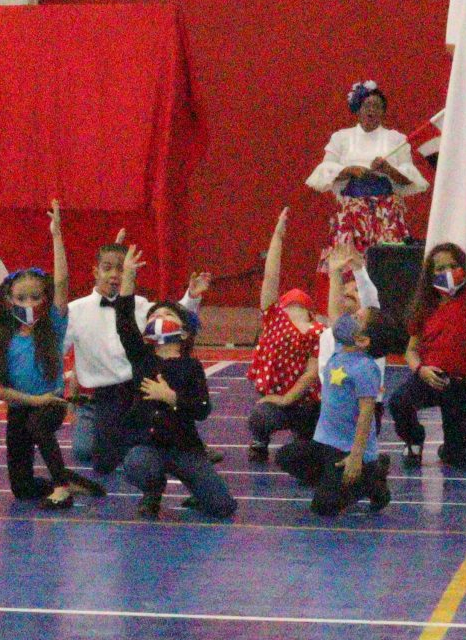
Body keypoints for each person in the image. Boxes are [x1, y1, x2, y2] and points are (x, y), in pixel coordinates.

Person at [106, 245, 234, 520]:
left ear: (183, 330)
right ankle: (153, 490)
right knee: (139, 464)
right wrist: (128, 276)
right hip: (148, 445)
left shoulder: (191, 366)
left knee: (222, 506)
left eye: (167, 316)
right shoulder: (141, 358)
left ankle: (197, 490)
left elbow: (202, 409)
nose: (159, 319)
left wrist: (172, 398)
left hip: (184, 447)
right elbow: (124, 320)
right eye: (154, 316)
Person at [62, 232, 199, 490]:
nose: (114, 275)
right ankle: (102, 426)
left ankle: (190, 450)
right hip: (103, 396)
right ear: (95, 271)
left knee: (155, 435)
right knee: (95, 459)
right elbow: (56, 350)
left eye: (120, 270)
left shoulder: (140, 304)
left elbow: (174, 317)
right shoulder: (76, 310)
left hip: (138, 389)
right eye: (107, 268)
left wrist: (191, 296)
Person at [0, 203, 77, 508]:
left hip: (50, 403)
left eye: (36, 297)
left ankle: (62, 486)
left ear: (45, 298)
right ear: (9, 300)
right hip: (22, 408)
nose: (29, 303)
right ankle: (62, 478)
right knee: (22, 489)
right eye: (21, 298)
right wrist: (31, 401)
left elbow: (62, 282)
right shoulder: (5, 339)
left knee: (39, 426)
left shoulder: (52, 326)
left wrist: (56, 236)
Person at [278, 301, 395, 517]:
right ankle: (336, 480)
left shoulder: (365, 368)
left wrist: (356, 457)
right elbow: (335, 315)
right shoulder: (342, 347)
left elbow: (366, 414)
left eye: (357, 319)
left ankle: (371, 479)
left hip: (347, 449)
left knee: (323, 507)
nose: (349, 318)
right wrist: (335, 272)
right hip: (326, 443)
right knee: (286, 456)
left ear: (363, 340)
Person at [389, 222, 466, 470]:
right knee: (399, 401)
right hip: (433, 378)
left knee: (459, 460)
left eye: (454, 266)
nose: (448, 271)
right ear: (430, 274)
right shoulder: (425, 306)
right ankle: (414, 439)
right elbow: (411, 351)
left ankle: (451, 446)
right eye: (441, 268)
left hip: (465, 385)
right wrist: (420, 370)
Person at [307, 79, 425, 258]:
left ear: (383, 112)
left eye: (377, 106)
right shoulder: (341, 138)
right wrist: (350, 170)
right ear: (358, 109)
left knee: (387, 263)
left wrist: (388, 170)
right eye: (367, 105)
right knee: (350, 264)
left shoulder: (396, 139)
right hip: (353, 213)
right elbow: (325, 171)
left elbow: (409, 178)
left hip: (387, 214)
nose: (372, 110)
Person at [246, 206, 325, 463]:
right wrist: (277, 237)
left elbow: (311, 373)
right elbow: (271, 276)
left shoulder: (318, 330)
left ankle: (302, 438)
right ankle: (260, 440)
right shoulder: (274, 317)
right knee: (260, 416)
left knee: (307, 448)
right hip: (276, 398)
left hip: (305, 403)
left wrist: (286, 399)